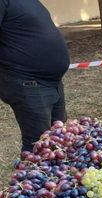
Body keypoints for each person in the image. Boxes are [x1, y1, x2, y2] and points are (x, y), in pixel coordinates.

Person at [0, 0, 69, 153]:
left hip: (53, 82)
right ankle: (29, 177)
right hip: (28, 82)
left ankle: (56, 177)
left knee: (59, 139)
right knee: (38, 145)